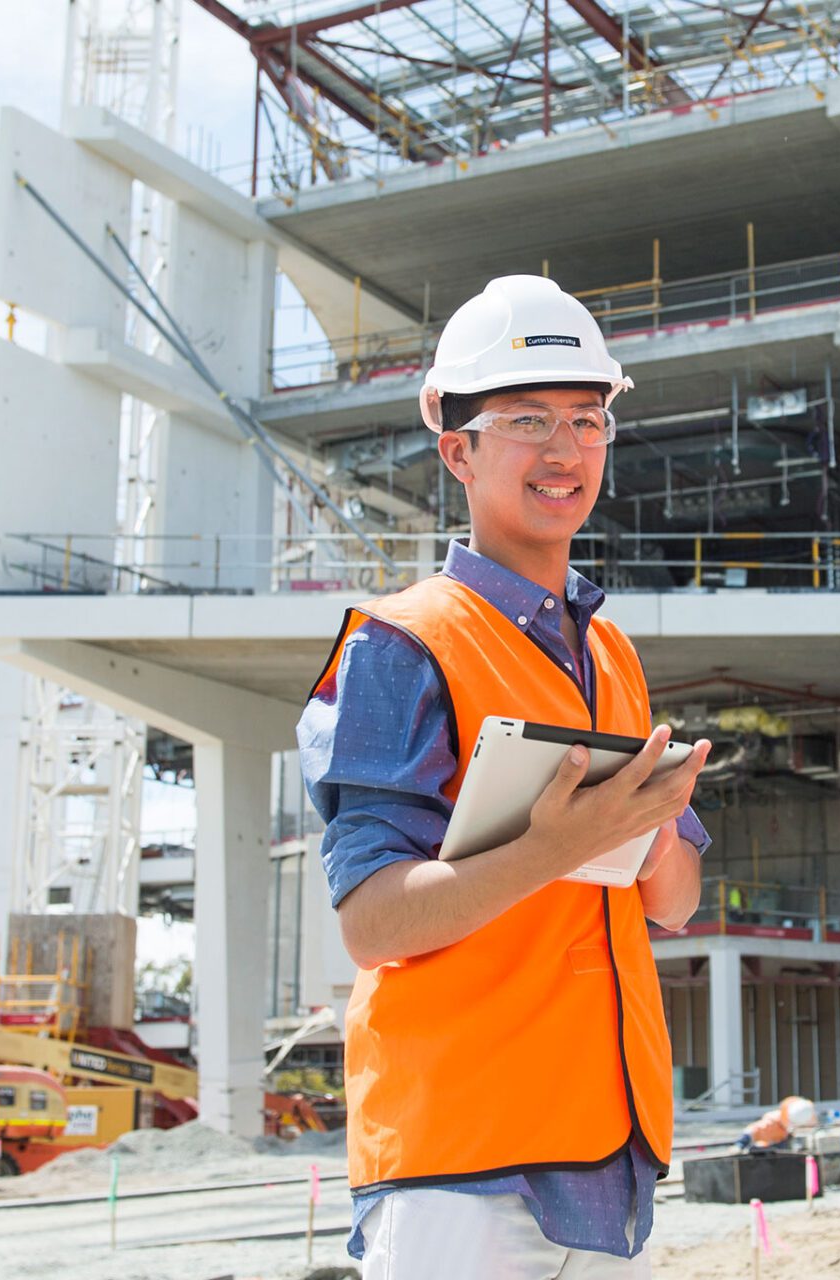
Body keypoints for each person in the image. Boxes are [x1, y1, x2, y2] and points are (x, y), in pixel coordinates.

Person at [300, 274, 714, 1279]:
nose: (564, 449)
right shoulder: (403, 645)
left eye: (586, 419)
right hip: (461, 1163)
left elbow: (676, 903)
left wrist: (651, 827)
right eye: (528, 419)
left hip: (602, 1146)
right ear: (459, 450)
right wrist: (557, 845)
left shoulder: (608, 651)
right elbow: (373, 919)